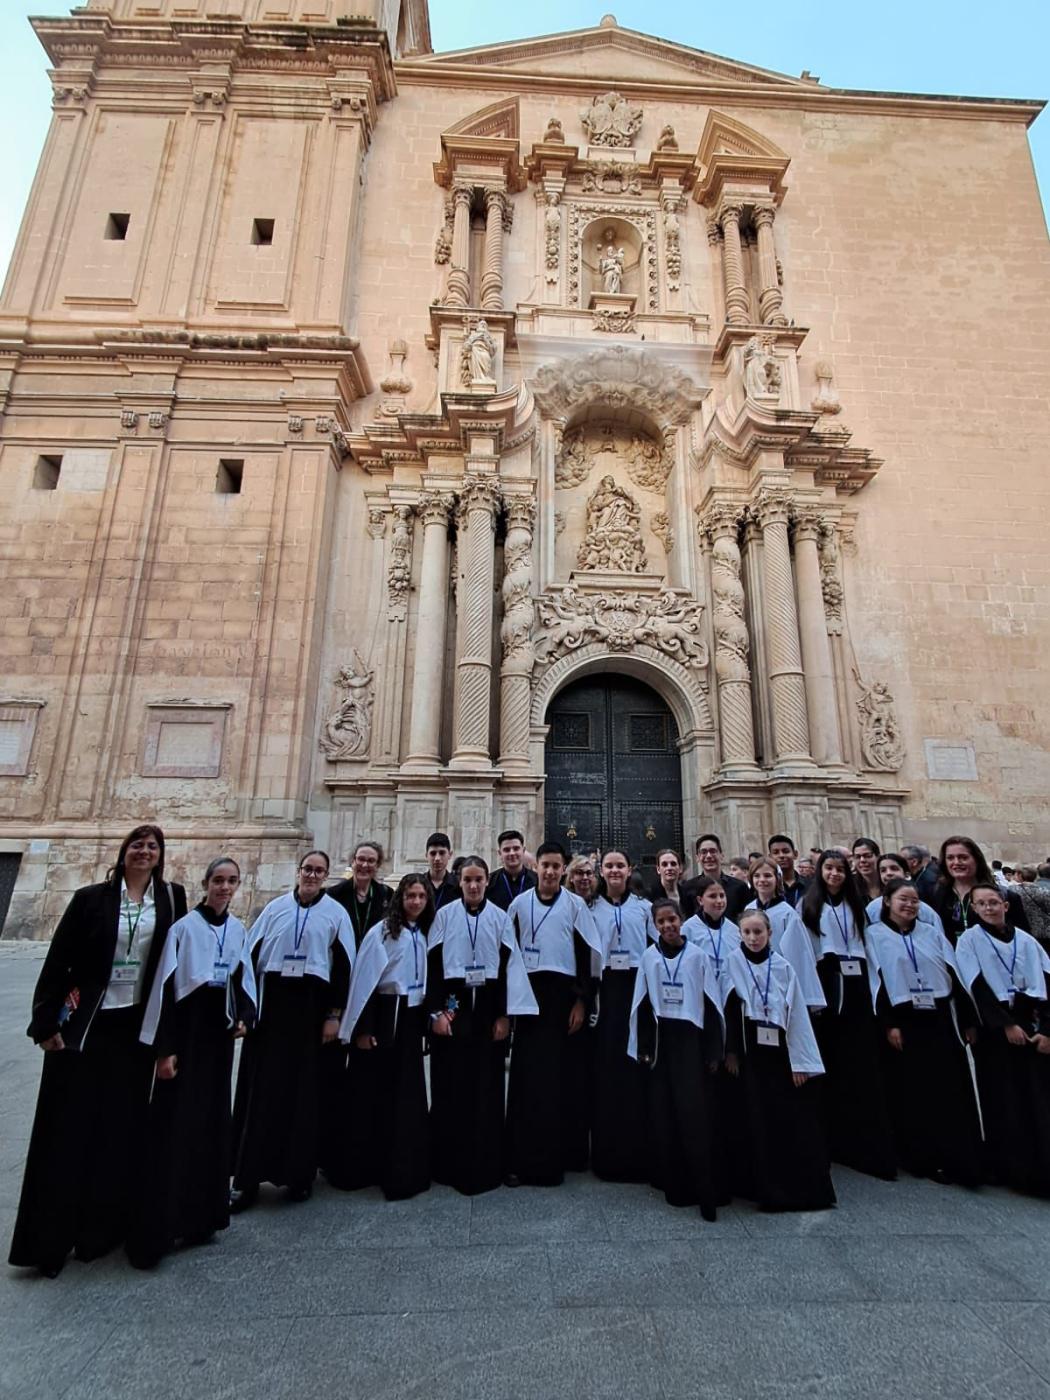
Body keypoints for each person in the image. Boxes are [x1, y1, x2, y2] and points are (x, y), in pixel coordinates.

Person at [9, 825, 187, 1276]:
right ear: (123, 851)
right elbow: (59, 961)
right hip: (87, 1027)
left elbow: (175, 968)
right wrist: (45, 1023)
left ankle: (102, 1230)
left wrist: (171, 1039)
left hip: (134, 1027)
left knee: (121, 1126)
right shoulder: (92, 899)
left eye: (152, 847)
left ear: (161, 855)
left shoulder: (170, 899)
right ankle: (50, 1241)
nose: (145, 852)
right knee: (68, 1127)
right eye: (138, 845)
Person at [134, 857, 255, 1265]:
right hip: (185, 1037)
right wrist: (163, 1049)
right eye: (218, 881)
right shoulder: (183, 929)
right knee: (175, 1124)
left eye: (232, 881)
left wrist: (243, 1015)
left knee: (211, 1120)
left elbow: (242, 976)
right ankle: (162, 1222)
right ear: (205, 883)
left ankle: (204, 1215)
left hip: (217, 1040)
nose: (224, 887)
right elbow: (165, 989)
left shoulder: (237, 928)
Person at [230, 851, 354, 1210]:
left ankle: (299, 1175)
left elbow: (345, 967)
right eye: (308, 869)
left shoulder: (335, 914)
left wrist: (334, 1014)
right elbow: (249, 959)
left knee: (304, 1092)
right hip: (272, 1010)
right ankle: (246, 1177)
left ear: (327, 876)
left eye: (319, 871)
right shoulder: (273, 909)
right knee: (259, 1092)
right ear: (298, 872)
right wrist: (246, 1010)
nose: (312, 875)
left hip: (311, 1011)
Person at [426, 856, 537, 1196]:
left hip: (489, 1008)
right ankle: (446, 1162)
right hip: (455, 1007)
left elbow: (510, 967)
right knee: (451, 1084)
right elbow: (432, 965)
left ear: (488, 881)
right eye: (467, 880)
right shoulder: (444, 916)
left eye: (479, 880)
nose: (473, 886)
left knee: (488, 1087)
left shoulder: (500, 918)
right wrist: (437, 1013)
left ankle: (488, 1162)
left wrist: (505, 1015)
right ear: (459, 882)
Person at [866, 880, 982, 1186]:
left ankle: (959, 1156)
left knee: (949, 1088)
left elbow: (954, 973)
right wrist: (889, 1023)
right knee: (912, 1090)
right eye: (903, 899)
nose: (909, 905)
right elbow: (877, 980)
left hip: (939, 1017)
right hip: (904, 1019)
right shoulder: (875, 935)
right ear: (887, 902)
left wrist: (968, 1020)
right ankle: (921, 1156)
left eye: (914, 900)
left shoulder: (931, 932)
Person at [724, 909, 834, 1213]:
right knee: (755, 1119)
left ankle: (793, 1189)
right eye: (747, 932)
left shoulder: (783, 966)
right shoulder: (733, 962)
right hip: (750, 1050)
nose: (753, 938)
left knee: (785, 1119)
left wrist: (800, 1062)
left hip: (779, 1052)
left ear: (769, 933)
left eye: (758, 932)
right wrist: (731, 1051)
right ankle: (761, 1188)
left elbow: (797, 1014)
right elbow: (730, 1008)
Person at [504, 841, 601, 1186]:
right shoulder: (518, 904)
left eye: (556, 866)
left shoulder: (575, 906)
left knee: (562, 1079)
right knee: (526, 1079)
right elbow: (509, 954)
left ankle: (562, 1156)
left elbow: (588, 954)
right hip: (529, 998)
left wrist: (581, 1002)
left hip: (563, 1001)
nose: (549, 871)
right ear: (537, 867)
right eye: (544, 865)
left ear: (564, 870)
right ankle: (522, 1157)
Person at [337, 874, 433, 1201]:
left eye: (421, 896)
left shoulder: (424, 933)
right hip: (384, 1019)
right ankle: (366, 1167)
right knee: (375, 1093)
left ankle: (405, 1168)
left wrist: (442, 1013)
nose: (416, 902)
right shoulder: (383, 932)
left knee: (406, 1095)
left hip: (411, 1017)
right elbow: (365, 981)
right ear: (400, 898)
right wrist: (363, 1028)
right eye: (411, 896)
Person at [801, 850, 896, 1180]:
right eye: (828, 868)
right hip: (828, 985)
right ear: (819, 872)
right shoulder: (810, 906)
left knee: (860, 1063)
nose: (834, 874)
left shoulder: (858, 907)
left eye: (839, 869)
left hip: (857, 989)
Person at [628, 899, 721, 1220]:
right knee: (663, 1111)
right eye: (662, 922)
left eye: (672, 920)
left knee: (694, 1113)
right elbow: (642, 1001)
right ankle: (672, 1182)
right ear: (654, 925)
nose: (668, 926)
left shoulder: (698, 956)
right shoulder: (649, 957)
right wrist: (643, 1047)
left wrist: (714, 1049)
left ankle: (705, 1187)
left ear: (682, 921)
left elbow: (711, 1002)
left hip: (691, 1042)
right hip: (661, 1040)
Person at [956, 883, 1050, 1194]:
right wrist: (1004, 1026)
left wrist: (1046, 1030)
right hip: (995, 1027)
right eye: (980, 904)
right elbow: (974, 986)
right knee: (1001, 1100)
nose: (988, 908)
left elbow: (1047, 982)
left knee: (1036, 1100)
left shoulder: (1026, 940)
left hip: (1029, 1023)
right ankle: (1012, 1168)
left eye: (993, 902)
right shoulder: (969, 941)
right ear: (973, 909)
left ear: (1005, 905)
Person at [589, 849, 655, 1182]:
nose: (614, 870)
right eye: (609, 866)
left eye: (620, 865)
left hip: (635, 991)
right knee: (605, 1070)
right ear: (601, 871)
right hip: (604, 992)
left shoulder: (644, 909)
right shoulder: (589, 908)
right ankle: (606, 1151)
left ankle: (638, 1148)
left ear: (630, 870)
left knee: (635, 1068)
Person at [744, 858, 825, 1012]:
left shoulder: (787, 913)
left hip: (779, 982)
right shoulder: (749, 909)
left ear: (777, 879)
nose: (762, 880)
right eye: (757, 876)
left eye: (767, 875)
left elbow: (798, 957)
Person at [933, 835, 1029, 942]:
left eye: (963, 857)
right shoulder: (937, 894)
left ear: (977, 860)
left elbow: (1023, 940)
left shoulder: (1005, 896)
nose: (956, 862)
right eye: (950, 858)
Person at [328, 840, 394, 947]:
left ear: (377, 865)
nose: (364, 865)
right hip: (343, 958)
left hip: (373, 957)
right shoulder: (334, 894)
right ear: (353, 861)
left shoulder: (386, 894)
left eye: (371, 861)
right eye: (361, 859)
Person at [865, 852, 945, 933]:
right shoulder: (873, 908)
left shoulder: (925, 911)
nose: (888, 873)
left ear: (907, 875)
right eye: (883, 870)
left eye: (894, 868)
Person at [681, 835, 750, 920]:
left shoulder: (740, 887)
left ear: (721, 855)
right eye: (704, 852)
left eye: (713, 851)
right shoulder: (687, 888)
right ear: (697, 857)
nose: (709, 856)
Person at [486, 829, 537, 911]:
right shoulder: (489, 881)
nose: (512, 853)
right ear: (500, 853)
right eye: (506, 850)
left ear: (523, 850)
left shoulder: (537, 881)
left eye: (516, 848)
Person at [768, 834, 808, 909]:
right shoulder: (767, 887)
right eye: (776, 852)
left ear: (795, 854)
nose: (781, 855)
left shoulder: (810, 885)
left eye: (785, 851)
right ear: (770, 857)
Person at [424, 832, 460, 912]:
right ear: (426, 855)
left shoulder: (459, 885)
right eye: (433, 853)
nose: (437, 858)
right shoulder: (418, 884)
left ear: (450, 855)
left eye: (442, 853)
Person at [851, 837, 882, 902]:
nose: (862, 860)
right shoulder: (850, 886)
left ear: (878, 857)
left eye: (868, 856)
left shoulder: (888, 882)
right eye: (858, 857)